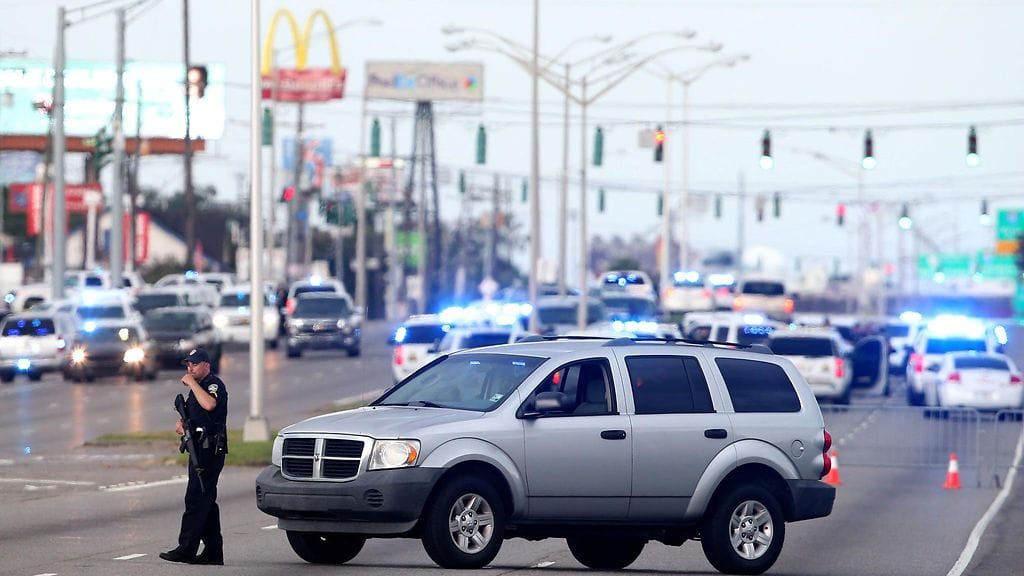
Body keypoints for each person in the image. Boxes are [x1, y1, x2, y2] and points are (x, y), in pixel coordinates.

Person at [160, 348, 228, 565]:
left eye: (195, 364)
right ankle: (213, 551)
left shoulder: (213, 384)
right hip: (198, 448)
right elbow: (195, 416)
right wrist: (183, 425)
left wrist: (191, 383)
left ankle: (186, 548)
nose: (190, 368)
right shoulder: (196, 390)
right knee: (206, 500)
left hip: (210, 450)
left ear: (206, 365)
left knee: (195, 498)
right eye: (188, 365)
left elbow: (209, 404)